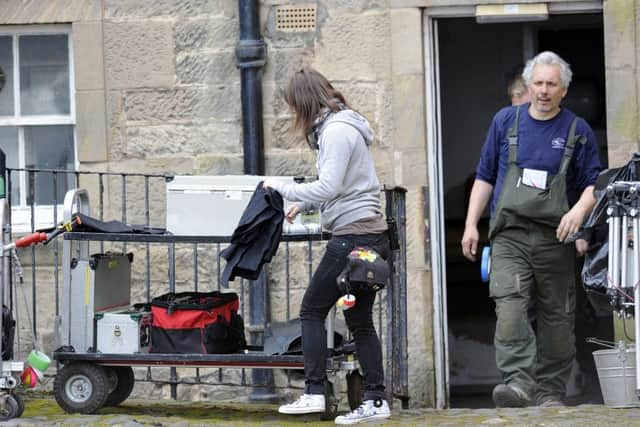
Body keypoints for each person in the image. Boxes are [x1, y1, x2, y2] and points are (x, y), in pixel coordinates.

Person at [461, 51, 602, 408]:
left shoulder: (577, 130)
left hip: (556, 238)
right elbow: (485, 176)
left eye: (551, 84)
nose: (543, 90)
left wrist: (579, 212)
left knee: (557, 315)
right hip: (509, 235)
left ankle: (550, 391)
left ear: (564, 90)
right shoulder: (505, 122)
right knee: (509, 307)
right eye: (537, 83)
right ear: (529, 85)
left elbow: (593, 184)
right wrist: (470, 225)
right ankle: (518, 383)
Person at [263, 67, 391, 425]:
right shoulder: (342, 125)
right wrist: (303, 205)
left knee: (311, 311)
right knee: (360, 320)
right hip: (369, 233)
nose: (293, 115)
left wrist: (281, 187)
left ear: (303, 102)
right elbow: (342, 185)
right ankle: (377, 401)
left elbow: (329, 187)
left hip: (353, 237)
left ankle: (315, 393)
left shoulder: (335, 132)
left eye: (293, 107)